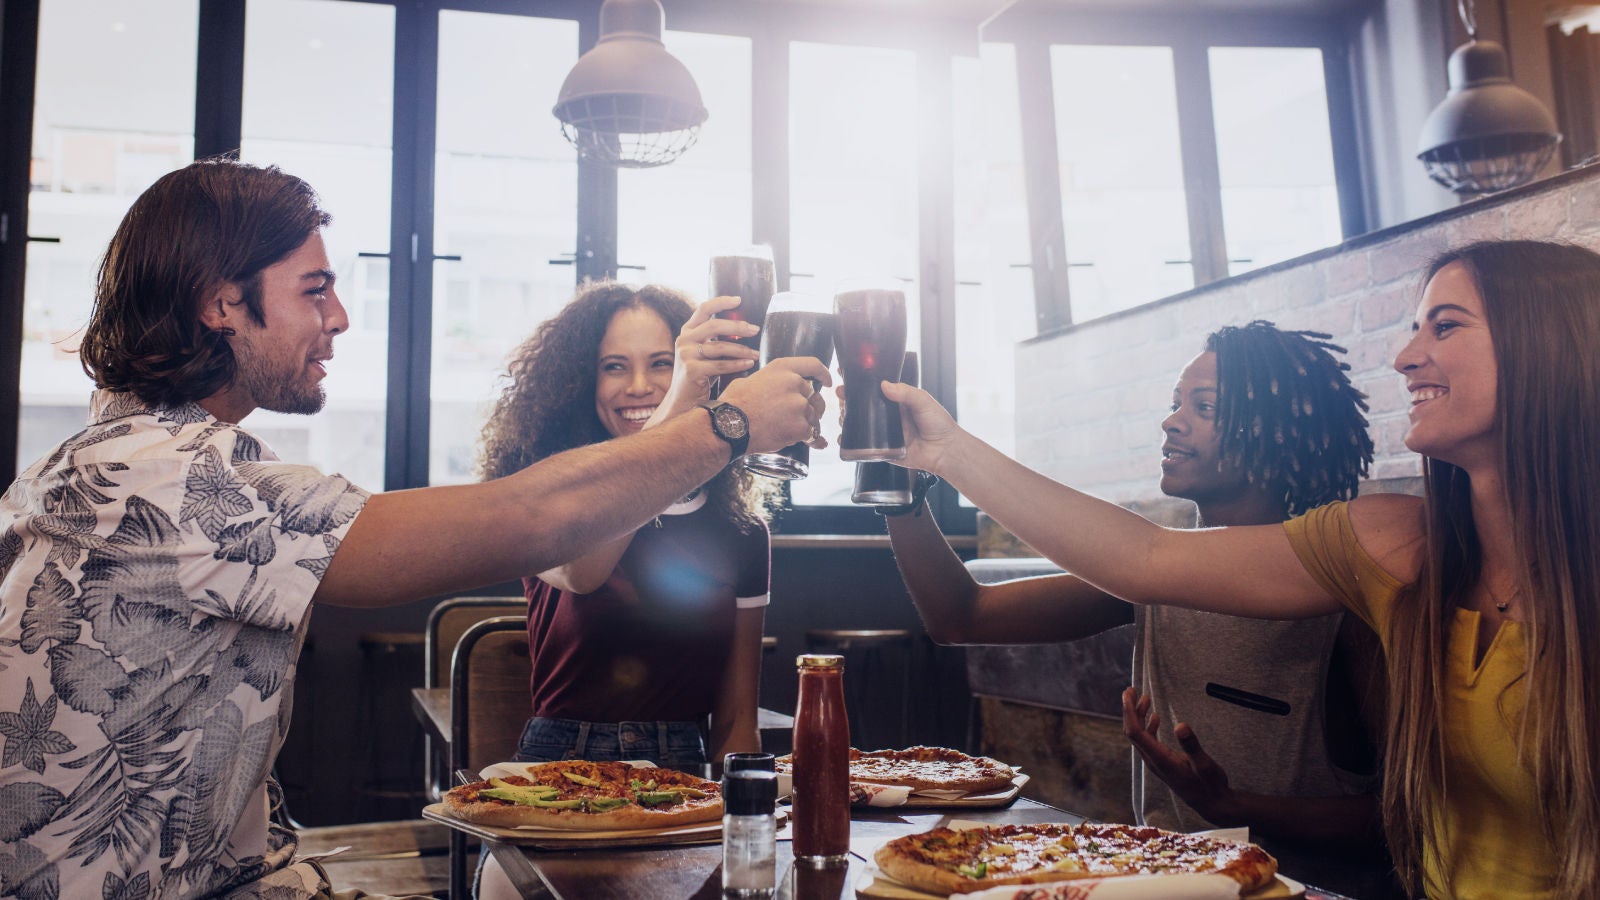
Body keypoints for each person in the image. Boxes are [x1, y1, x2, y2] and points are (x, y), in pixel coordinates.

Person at [0, 158, 826, 900]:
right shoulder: (164, 480)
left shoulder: (121, 461)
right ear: (223, 303)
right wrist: (726, 425)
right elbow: (533, 519)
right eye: (314, 289)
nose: (342, 318)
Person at [882, 240, 1600, 900]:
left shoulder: (1369, 591)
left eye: (1444, 327)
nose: (1406, 356)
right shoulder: (1394, 549)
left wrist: (1241, 811)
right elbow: (1140, 559)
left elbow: (1385, 813)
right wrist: (935, 456)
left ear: (1546, 347)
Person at [882, 322, 1398, 897]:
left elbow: (1402, 819)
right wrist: (899, 491)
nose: (1171, 421)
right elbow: (962, 616)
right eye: (1176, 403)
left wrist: (1233, 805)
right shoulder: (1158, 573)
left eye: (1203, 407)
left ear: (1273, 433)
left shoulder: (1344, 603)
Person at [476, 283, 779, 769]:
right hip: (562, 767)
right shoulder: (554, 501)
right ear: (580, 385)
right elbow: (582, 573)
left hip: (686, 771)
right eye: (614, 366)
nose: (639, 386)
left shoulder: (741, 530)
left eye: (662, 364)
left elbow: (737, 719)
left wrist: (743, 826)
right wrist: (675, 412)